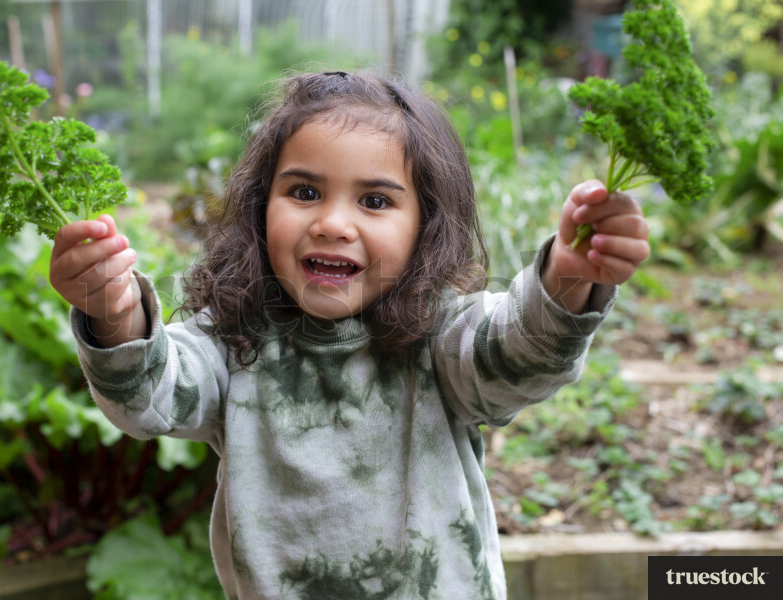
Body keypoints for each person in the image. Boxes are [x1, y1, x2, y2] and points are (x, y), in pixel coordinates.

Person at [49, 71, 649, 600]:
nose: (333, 224)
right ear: (261, 206)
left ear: (426, 228)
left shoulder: (441, 335)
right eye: (304, 192)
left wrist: (568, 277)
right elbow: (150, 393)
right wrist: (112, 307)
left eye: (375, 200)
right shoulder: (232, 341)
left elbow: (517, 355)